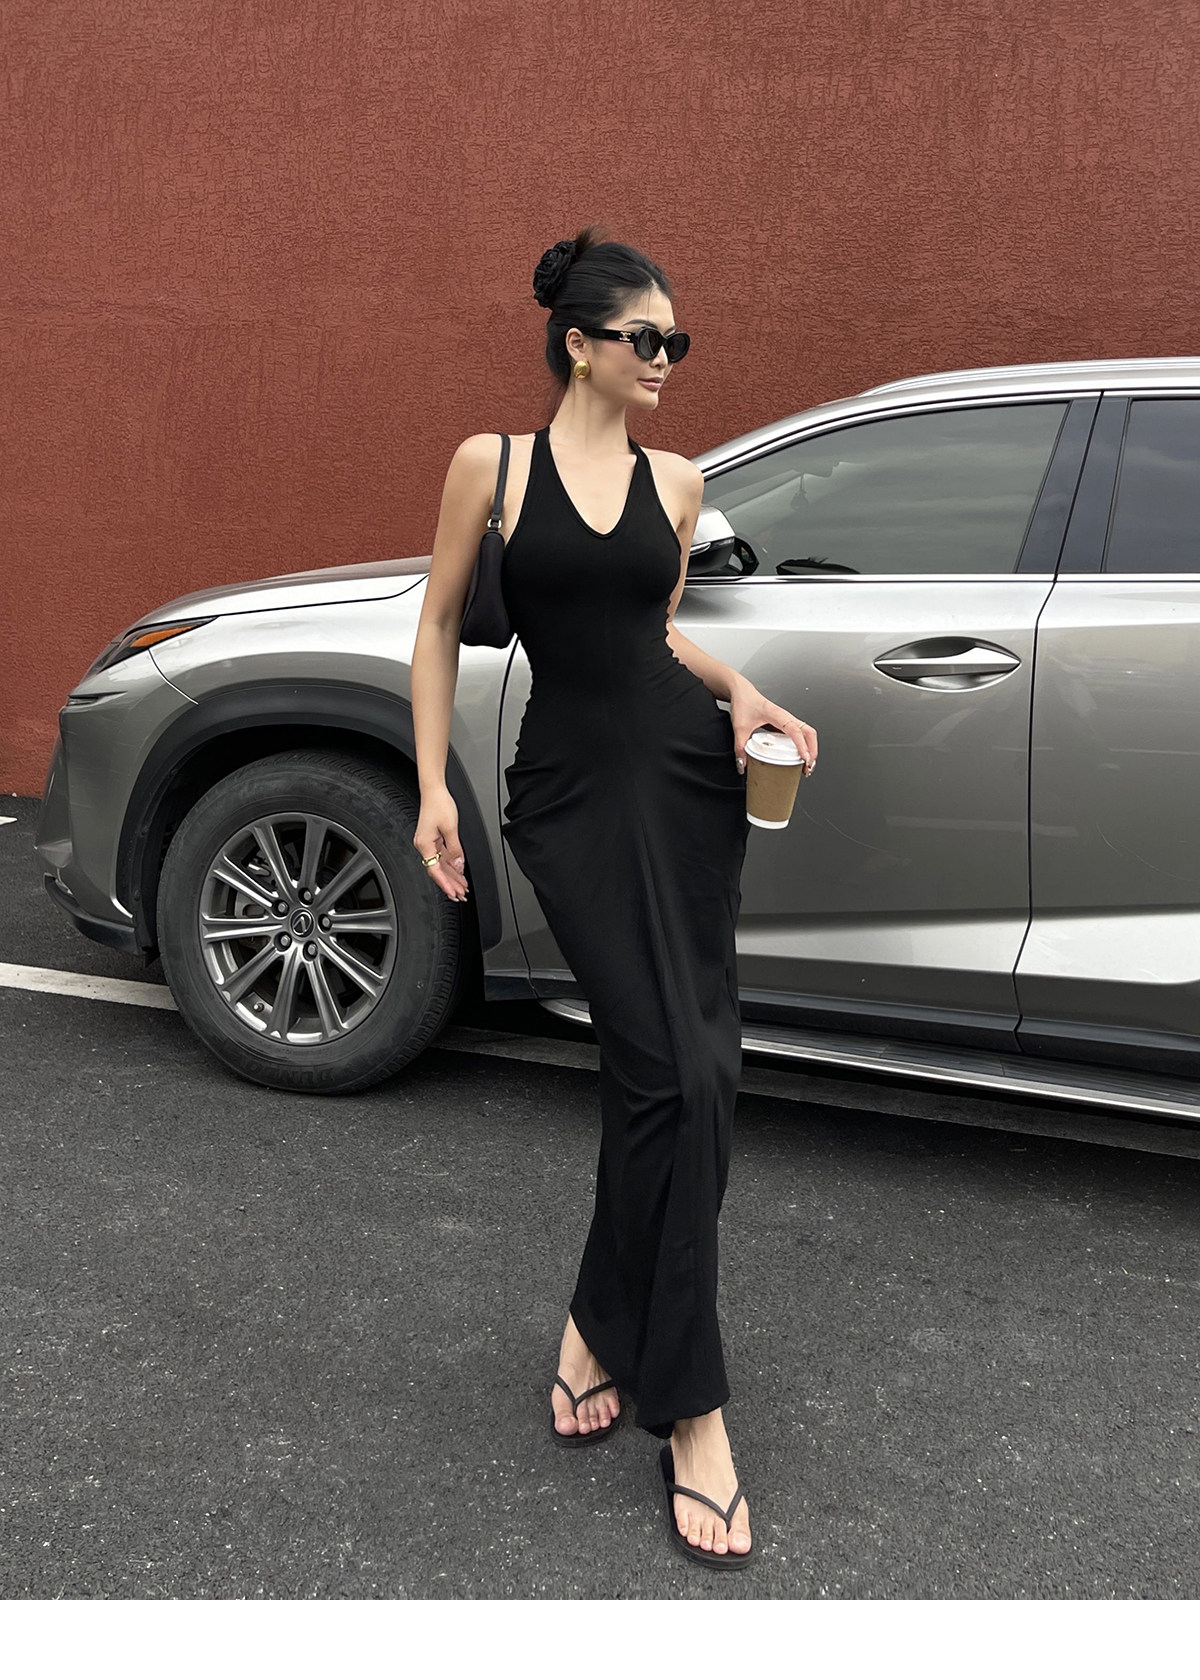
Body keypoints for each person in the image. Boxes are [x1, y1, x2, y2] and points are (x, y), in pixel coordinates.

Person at [410, 224, 817, 1570]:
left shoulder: (680, 482)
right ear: (579, 343)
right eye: (646, 338)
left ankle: (624, 1342)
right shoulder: (492, 466)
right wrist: (431, 788)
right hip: (568, 795)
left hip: (686, 778)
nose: (666, 360)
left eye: (676, 341)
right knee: (665, 1070)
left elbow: (656, 632)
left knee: (696, 1074)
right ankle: (688, 1406)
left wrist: (742, 693)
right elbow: (437, 623)